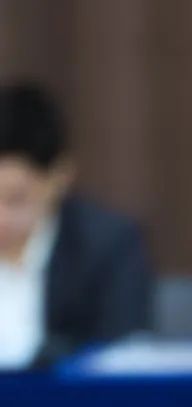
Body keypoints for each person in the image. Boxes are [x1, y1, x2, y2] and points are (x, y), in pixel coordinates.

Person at [0, 82, 150, 370]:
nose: (1, 217)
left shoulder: (107, 246)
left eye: (16, 199)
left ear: (59, 177)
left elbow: (118, 355)